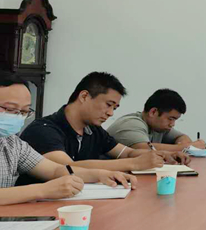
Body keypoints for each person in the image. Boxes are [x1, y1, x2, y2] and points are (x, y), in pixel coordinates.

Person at [0, 72, 135, 205]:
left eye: (24, 112)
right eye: (10, 109)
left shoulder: (13, 143)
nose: (18, 117)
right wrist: (43, 190)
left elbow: (55, 170)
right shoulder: (43, 129)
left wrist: (101, 175)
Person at [20, 72, 164, 174]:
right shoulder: (43, 130)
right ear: (84, 96)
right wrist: (134, 163)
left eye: (114, 108)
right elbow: (68, 168)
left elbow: (127, 153)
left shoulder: (93, 130)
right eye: (108, 105)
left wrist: (160, 155)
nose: (111, 113)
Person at [107, 88, 205, 165]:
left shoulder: (158, 127)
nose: (172, 124)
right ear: (153, 112)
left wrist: (184, 145)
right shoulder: (131, 124)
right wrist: (187, 147)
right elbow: (143, 148)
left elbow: (181, 137)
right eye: (170, 118)